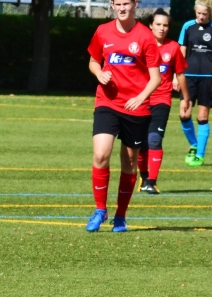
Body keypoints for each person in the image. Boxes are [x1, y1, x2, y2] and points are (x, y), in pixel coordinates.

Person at [85, 0, 161, 232]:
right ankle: (100, 209)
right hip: (107, 102)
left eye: (126, 3)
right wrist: (99, 73)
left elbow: (156, 77)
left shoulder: (145, 36)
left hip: (135, 107)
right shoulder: (102, 31)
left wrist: (141, 97)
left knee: (129, 162)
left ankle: (120, 215)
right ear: (112, 5)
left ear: (135, 4)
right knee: (100, 154)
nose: (121, 8)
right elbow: (93, 62)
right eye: (117, 3)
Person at [138, 8, 192, 194]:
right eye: (158, 24)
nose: (162, 28)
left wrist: (185, 98)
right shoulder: (140, 45)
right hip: (140, 99)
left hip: (161, 99)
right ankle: (143, 177)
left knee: (154, 139)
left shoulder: (173, 47)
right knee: (139, 142)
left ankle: (151, 182)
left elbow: (180, 74)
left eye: (165, 25)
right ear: (150, 25)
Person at [178, 2, 212, 167]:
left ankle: (200, 155)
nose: (201, 17)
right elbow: (181, 52)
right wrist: (177, 76)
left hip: (207, 77)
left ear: (209, 13)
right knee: (184, 114)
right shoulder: (187, 27)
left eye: (204, 14)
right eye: (198, 13)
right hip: (188, 77)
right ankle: (194, 144)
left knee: (202, 117)